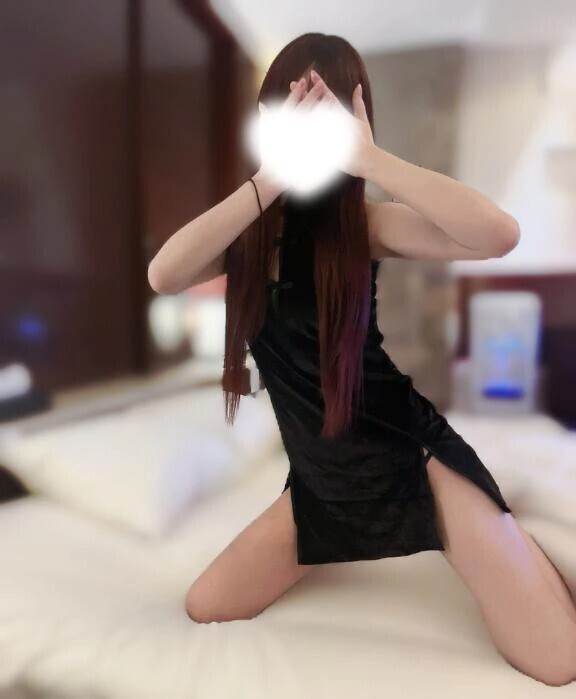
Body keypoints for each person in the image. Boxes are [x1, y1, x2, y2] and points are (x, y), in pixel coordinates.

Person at [148, 32, 576, 687]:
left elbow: (499, 235)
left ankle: (504, 534)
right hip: (322, 482)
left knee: (556, 659)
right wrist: (271, 176)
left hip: (411, 457)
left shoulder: (363, 223)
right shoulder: (243, 235)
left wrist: (371, 160)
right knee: (207, 604)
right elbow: (164, 274)